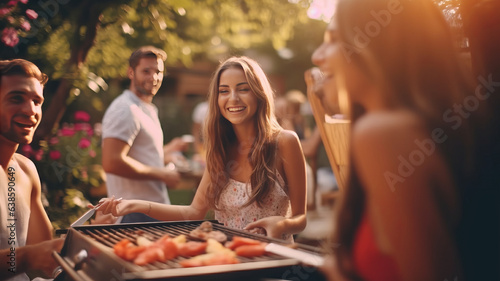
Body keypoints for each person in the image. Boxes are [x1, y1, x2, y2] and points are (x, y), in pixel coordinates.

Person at [311, 0, 497, 280]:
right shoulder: (441, 125)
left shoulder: (382, 134)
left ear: (378, 46)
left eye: (334, 40)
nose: (317, 55)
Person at [99, 56, 307, 241]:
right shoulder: (220, 151)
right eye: (224, 91)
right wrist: (133, 205)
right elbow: (193, 212)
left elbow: (300, 218)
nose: (233, 98)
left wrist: (281, 224)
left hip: (276, 259)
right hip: (230, 262)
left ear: (259, 94)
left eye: (243, 89)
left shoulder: (285, 142)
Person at [101, 46, 182, 223]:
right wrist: (162, 174)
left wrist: (167, 153)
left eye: (158, 71)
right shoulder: (125, 109)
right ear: (131, 72)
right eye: (146, 71)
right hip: (134, 214)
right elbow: (112, 162)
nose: (153, 77)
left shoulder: (145, 108)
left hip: (149, 210)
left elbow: (141, 154)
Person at [0, 59, 64, 280]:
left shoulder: (26, 170)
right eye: (17, 98)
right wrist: (28, 258)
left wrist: (91, 227)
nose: (31, 111)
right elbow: (33, 256)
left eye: (37, 101)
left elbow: (45, 256)